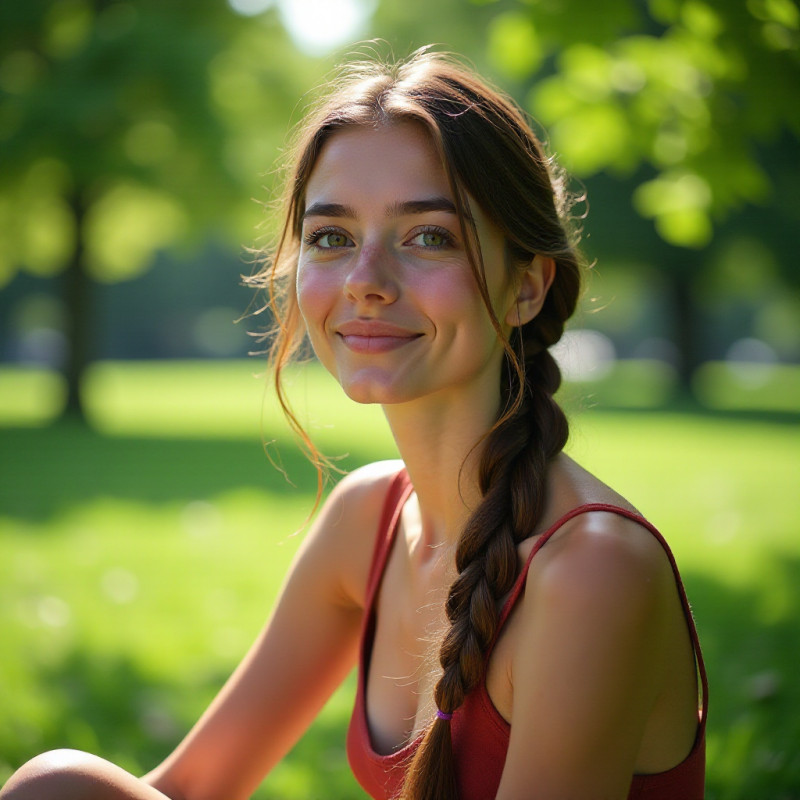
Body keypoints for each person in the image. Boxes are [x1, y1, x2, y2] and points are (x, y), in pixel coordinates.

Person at [0, 48, 706, 800]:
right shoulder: (368, 520)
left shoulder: (593, 568)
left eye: (429, 236)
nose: (366, 282)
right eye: (332, 237)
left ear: (526, 286)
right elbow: (191, 790)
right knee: (60, 786)